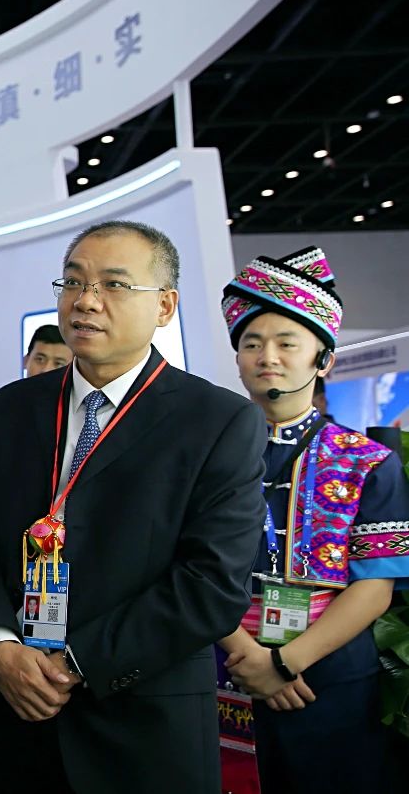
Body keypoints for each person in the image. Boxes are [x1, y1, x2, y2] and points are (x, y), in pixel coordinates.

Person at [0, 220, 266, 794]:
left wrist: (76, 662)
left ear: (165, 306)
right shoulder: (14, 406)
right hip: (5, 715)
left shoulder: (217, 421)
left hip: (141, 729)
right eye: (73, 282)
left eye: (114, 285)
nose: (86, 301)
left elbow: (212, 585)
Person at [216, 246, 409, 793]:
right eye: (252, 343)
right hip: (224, 665)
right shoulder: (206, 458)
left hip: (333, 676)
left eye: (287, 343)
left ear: (323, 359)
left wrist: (282, 664)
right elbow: (185, 565)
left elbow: (375, 588)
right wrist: (248, 656)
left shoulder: (368, 461)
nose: (267, 357)